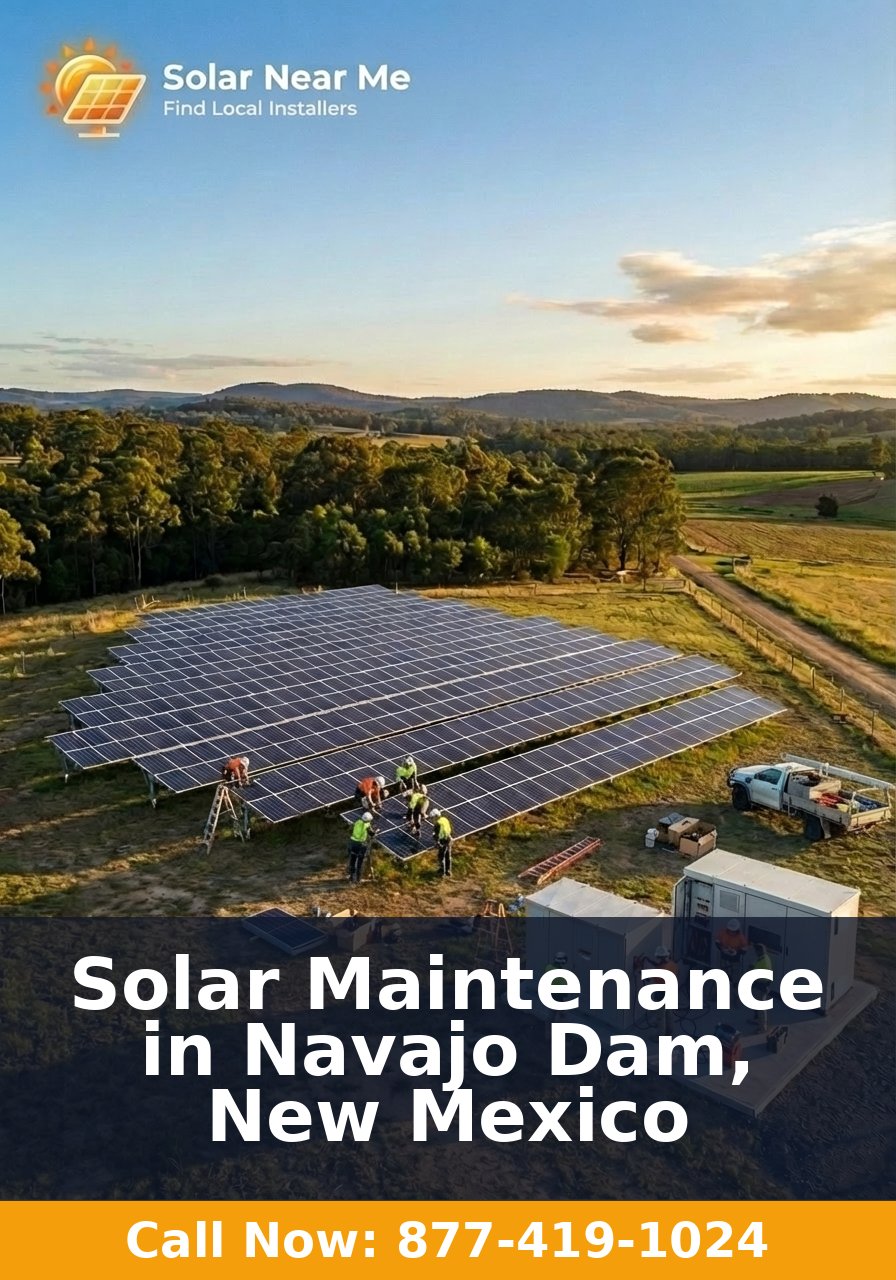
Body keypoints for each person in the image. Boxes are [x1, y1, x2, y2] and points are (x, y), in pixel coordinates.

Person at [651, 945, 679, 1035]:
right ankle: (669, 1031)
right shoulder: (672, 964)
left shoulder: (659, 970)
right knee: (669, 1014)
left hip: (661, 994)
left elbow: (653, 980)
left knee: (661, 1017)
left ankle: (660, 1036)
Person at [751, 943, 774, 1032]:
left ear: (759, 951)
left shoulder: (762, 961)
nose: (755, 953)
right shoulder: (765, 958)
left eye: (756, 951)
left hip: (761, 986)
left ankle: (762, 1027)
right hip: (761, 985)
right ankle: (757, 1020)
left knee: (761, 1008)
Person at [347, 812, 374, 884]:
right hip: (361, 844)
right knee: (360, 862)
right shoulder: (367, 825)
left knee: (352, 860)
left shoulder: (357, 822)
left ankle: (351, 877)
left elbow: (351, 830)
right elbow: (371, 833)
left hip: (352, 843)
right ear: (368, 820)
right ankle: (358, 879)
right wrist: (375, 832)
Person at [430, 809, 453, 877]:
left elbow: (436, 835)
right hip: (449, 839)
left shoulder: (437, 824)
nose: (432, 819)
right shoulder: (444, 819)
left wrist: (437, 843)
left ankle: (442, 872)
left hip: (443, 841)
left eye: (432, 818)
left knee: (441, 856)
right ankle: (448, 871)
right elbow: (449, 828)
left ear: (436, 816)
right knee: (448, 856)